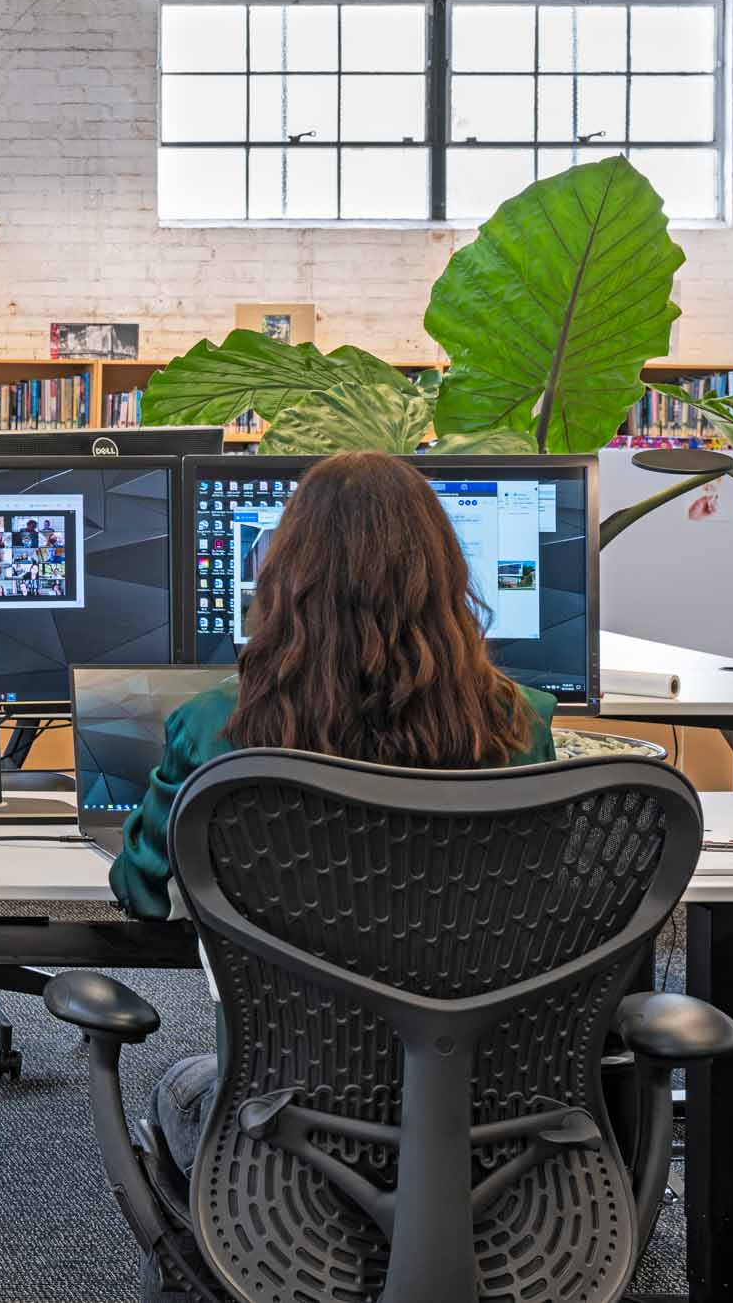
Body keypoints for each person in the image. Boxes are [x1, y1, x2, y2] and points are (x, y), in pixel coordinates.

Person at [108, 451, 558, 1175]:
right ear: (445, 578)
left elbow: (140, 889)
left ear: (285, 581)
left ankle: (228, 1273)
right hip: (480, 1118)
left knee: (177, 1092)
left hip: (279, 1113)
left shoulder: (215, 725)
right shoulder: (516, 724)